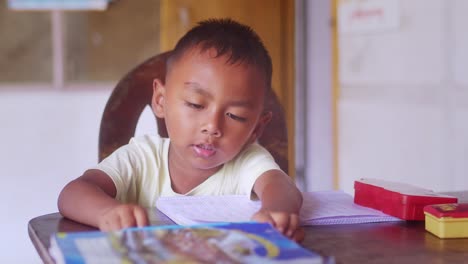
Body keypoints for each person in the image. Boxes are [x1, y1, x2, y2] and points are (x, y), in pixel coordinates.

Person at [58, 18, 304, 242]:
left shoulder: (247, 162)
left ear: (256, 128)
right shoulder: (142, 158)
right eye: (196, 104)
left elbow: (281, 187)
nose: (212, 127)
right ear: (161, 100)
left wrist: (276, 212)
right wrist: (106, 212)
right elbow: (73, 193)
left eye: (235, 116)